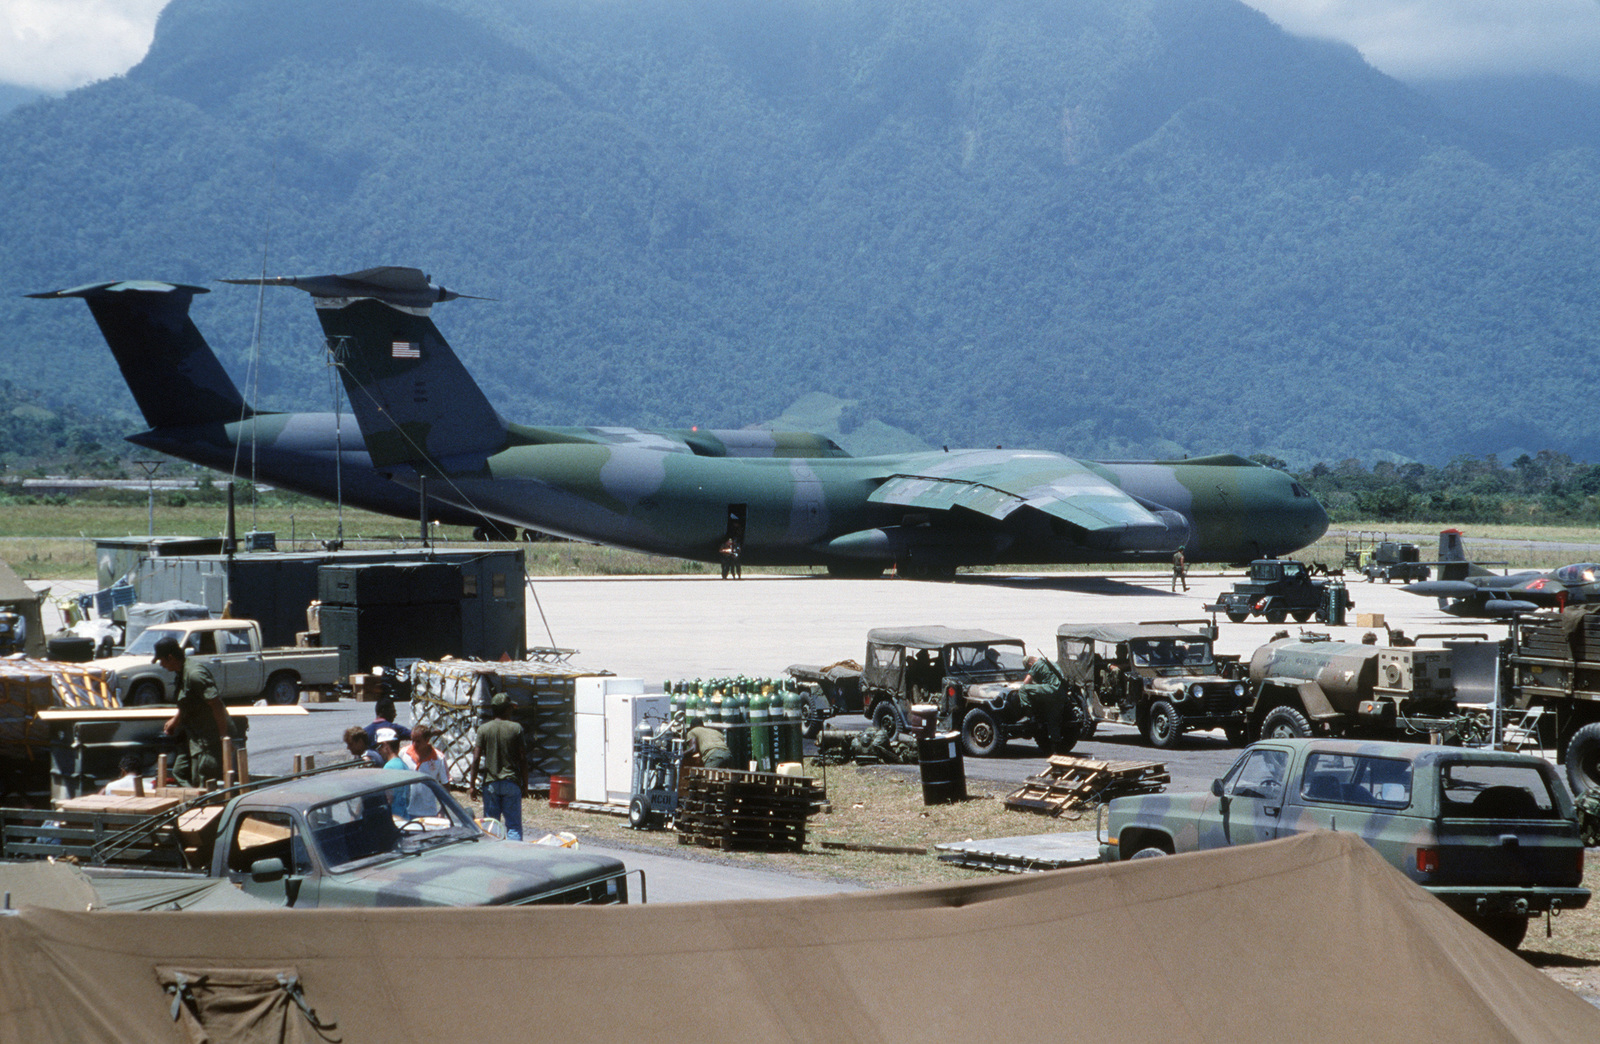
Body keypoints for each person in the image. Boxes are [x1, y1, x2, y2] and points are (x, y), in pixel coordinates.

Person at [156, 635, 233, 787]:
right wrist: (175, 720)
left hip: (208, 738)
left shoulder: (195, 674)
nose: (161, 665)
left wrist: (223, 737)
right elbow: (187, 701)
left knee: (202, 779)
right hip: (193, 736)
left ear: (170, 657)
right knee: (179, 773)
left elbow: (216, 705)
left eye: (162, 660)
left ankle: (204, 807)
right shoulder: (181, 672)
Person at [470, 693, 527, 841]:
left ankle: (493, 859)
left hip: (491, 784)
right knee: (513, 826)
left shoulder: (484, 729)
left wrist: (471, 785)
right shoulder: (516, 728)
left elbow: (476, 759)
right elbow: (523, 759)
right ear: (507, 709)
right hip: (511, 783)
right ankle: (514, 857)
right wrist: (525, 785)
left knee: (491, 827)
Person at [1019, 653, 1069, 754]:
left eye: (1028, 667)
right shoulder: (1050, 663)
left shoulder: (1036, 664)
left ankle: (1030, 716)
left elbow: (1025, 683)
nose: (1029, 668)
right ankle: (1056, 748)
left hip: (1051, 690)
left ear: (1030, 663)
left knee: (1023, 689)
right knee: (1053, 721)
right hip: (1060, 693)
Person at [401, 724, 449, 817]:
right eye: (412, 740)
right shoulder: (404, 753)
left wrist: (443, 810)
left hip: (428, 811)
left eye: (418, 741)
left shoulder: (439, 758)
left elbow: (445, 785)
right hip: (407, 810)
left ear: (427, 740)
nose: (414, 744)